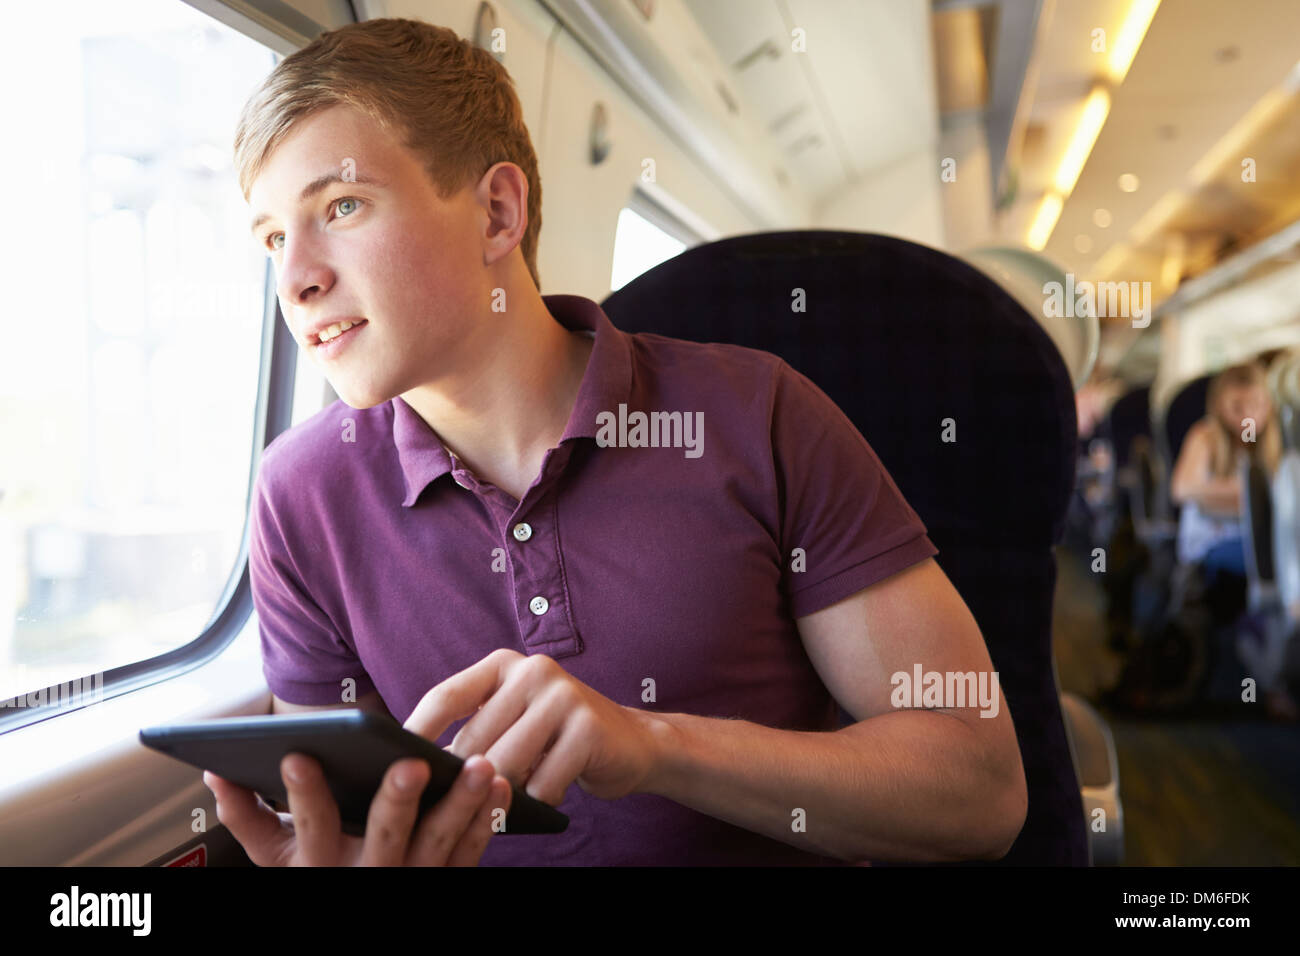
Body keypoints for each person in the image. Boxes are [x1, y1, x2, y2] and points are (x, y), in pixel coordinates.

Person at [203, 17, 1026, 866]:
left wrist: (652, 746)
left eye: (340, 207)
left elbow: (980, 788)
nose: (296, 278)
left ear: (496, 213)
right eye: (272, 237)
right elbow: (350, 818)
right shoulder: (299, 496)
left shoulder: (758, 415)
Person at [1170, 362, 1281, 580]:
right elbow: (1181, 490)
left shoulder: (1272, 444)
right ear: (1219, 406)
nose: (1248, 415)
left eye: (1257, 404)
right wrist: (1245, 491)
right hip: (1212, 542)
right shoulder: (1205, 436)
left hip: (1256, 537)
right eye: (1237, 407)